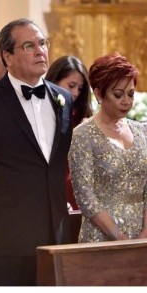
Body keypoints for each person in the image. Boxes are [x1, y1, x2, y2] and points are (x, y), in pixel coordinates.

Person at [0, 18, 73, 286]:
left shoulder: (63, 98)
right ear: (7, 56)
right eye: (29, 45)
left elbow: (54, 165)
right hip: (4, 237)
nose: (40, 51)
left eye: (42, 43)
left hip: (55, 234)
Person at [68, 53, 147, 243]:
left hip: (142, 237)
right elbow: (85, 196)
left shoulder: (140, 131)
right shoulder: (83, 135)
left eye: (131, 94)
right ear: (99, 94)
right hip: (101, 237)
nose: (126, 101)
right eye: (118, 95)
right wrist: (118, 237)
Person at [45, 55, 93, 210]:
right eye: (71, 85)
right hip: (51, 186)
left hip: (78, 186)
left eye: (80, 88)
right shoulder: (43, 112)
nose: (75, 93)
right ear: (54, 81)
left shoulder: (82, 116)